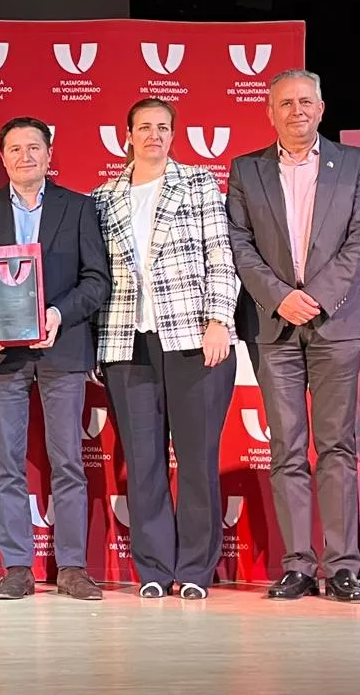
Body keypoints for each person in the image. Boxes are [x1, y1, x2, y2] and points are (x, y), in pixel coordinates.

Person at [226, 69, 360, 603]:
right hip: (273, 326)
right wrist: (278, 297)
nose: (297, 111)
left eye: (306, 102)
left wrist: (314, 296)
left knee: (336, 445)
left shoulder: (354, 163)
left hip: (336, 322)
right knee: (286, 449)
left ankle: (342, 567)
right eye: (286, 103)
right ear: (270, 113)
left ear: (322, 108)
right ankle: (297, 565)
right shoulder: (246, 169)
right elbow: (239, 244)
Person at [91, 97, 239, 600]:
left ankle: (195, 570)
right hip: (126, 343)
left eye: (163, 127)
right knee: (144, 460)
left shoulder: (198, 183)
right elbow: (97, 277)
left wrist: (220, 319)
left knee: (197, 460)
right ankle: (154, 568)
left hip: (194, 339)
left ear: (174, 134)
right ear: (126, 135)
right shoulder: (103, 197)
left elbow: (221, 254)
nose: (154, 134)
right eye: (144, 127)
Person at [0, 117, 109, 600]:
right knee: (7, 464)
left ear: (49, 154)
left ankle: (72, 567)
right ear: (3, 158)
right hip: (2, 356)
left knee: (67, 461)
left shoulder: (80, 208)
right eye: (15, 149)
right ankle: (16, 567)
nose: (25, 156)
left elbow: (97, 280)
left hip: (60, 350)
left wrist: (59, 315)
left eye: (34, 147)